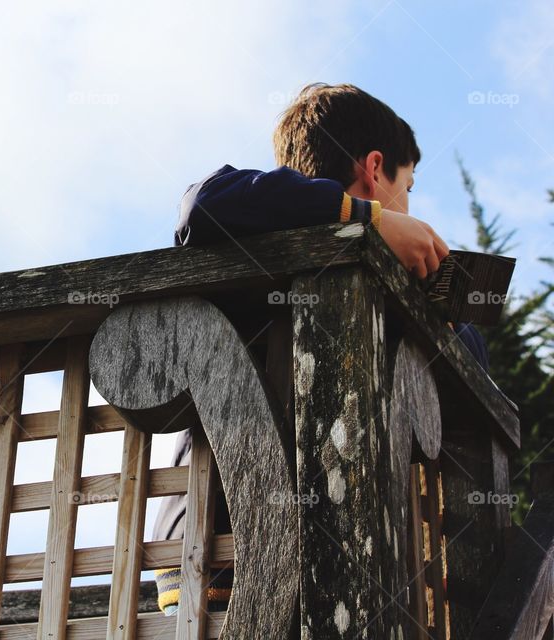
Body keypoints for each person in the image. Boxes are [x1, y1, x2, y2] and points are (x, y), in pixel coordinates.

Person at [152, 82, 491, 615]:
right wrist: (373, 220)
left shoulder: (283, 232)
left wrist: (436, 308)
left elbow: (476, 381)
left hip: (256, 567)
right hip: (232, 563)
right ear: (376, 168)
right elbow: (202, 204)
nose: (409, 204)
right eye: (409, 186)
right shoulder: (267, 228)